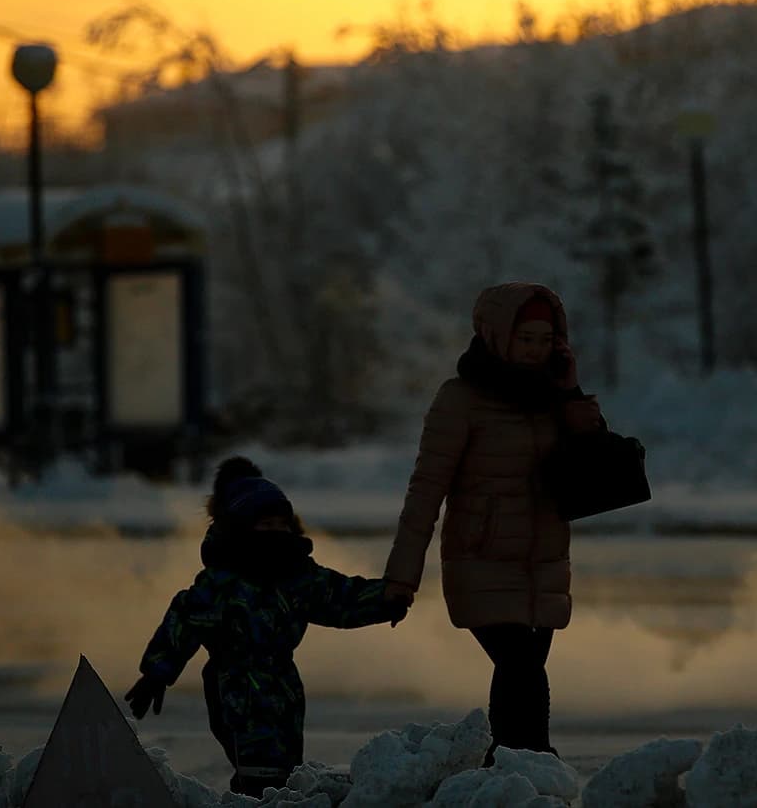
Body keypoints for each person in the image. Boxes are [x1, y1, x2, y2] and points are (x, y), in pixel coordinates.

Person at [383, 282, 604, 765]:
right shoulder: (460, 399)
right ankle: (527, 763)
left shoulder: (554, 397)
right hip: (481, 560)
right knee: (521, 667)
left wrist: (571, 392)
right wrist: (401, 578)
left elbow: (595, 471)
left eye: (546, 340)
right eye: (526, 339)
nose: (536, 350)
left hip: (544, 564)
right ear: (496, 335)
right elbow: (425, 491)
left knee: (525, 672)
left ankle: (514, 767)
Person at [125, 456, 411, 798]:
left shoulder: (297, 575)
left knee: (285, 772)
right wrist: (157, 672)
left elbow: (341, 597)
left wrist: (385, 599)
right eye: (266, 524)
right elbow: (185, 620)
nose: (276, 531)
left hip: (285, 688)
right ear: (242, 529)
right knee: (259, 772)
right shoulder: (222, 582)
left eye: (281, 524)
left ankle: (267, 799)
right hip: (236, 689)